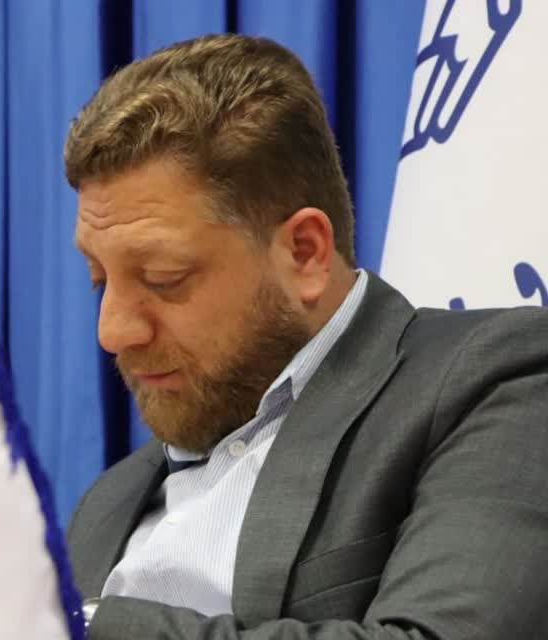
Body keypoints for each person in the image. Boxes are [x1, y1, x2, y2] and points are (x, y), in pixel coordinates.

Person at [63, 34, 548, 640]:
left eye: (165, 278)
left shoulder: (494, 379)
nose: (113, 331)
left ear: (305, 252)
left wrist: (74, 625)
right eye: (99, 280)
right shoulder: (106, 504)